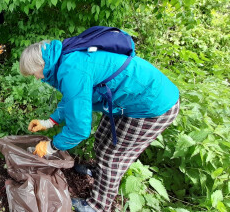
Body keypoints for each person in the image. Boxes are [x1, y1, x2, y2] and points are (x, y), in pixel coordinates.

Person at [19, 38, 180, 212]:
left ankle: (98, 206)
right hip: (126, 100)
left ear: (41, 64)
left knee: (113, 157)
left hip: (152, 104)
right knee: (102, 140)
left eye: (33, 73)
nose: (35, 78)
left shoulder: (72, 70)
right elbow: (74, 98)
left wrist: (51, 147)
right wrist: (49, 122)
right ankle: (99, 172)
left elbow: (79, 130)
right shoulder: (64, 59)